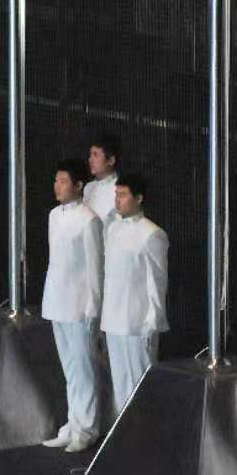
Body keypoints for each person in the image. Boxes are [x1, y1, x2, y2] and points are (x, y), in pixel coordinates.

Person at [41, 157, 105, 454]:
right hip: (57, 300)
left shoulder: (90, 219)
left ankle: (88, 428)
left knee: (84, 367)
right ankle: (73, 422)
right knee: (69, 367)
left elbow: (95, 269)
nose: (58, 186)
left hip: (79, 305)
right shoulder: (55, 215)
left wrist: (93, 308)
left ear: (79, 186)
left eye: (63, 181)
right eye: (56, 181)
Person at [100, 171, 169, 411]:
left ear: (139, 198)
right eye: (116, 195)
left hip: (138, 322)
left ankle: (144, 442)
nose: (117, 200)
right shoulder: (112, 230)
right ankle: (124, 440)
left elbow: (157, 282)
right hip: (113, 319)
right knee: (120, 384)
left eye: (123, 195)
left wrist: (153, 322)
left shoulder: (152, 234)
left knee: (141, 385)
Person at [83, 133, 120, 228]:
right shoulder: (88, 187)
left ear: (111, 160)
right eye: (90, 155)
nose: (90, 160)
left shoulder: (121, 189)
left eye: (95, 155)